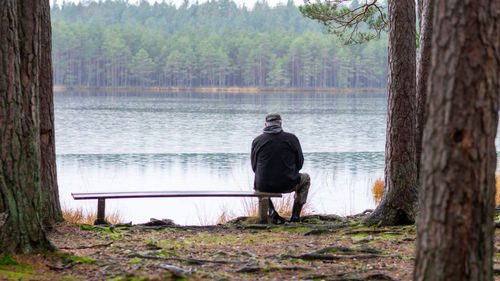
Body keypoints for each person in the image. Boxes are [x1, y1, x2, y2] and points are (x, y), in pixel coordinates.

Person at [251, 113, 310, 223]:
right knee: (306, 178)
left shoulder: (257, 141)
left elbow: (254, 167)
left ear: (265, 124)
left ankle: (271, 211)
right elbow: (300, 164)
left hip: (264, 186)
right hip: (288, 183)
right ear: (281, 124)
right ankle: (295, 216)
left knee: (258, 181)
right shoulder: (292, 139)